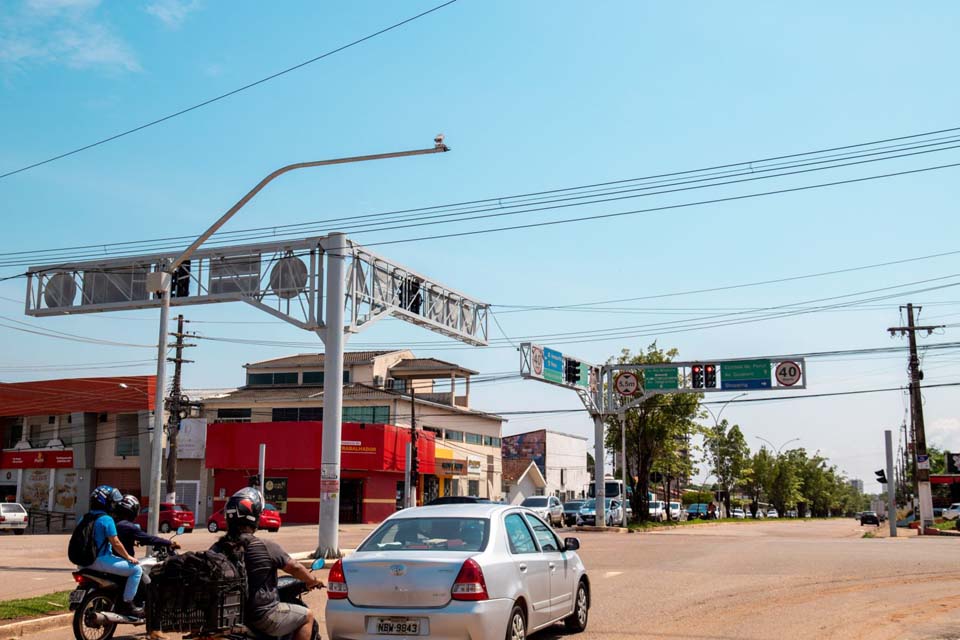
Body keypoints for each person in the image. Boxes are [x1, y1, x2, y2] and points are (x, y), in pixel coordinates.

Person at [211, 488, 322, 640]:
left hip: (226, 616)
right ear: (254, 517)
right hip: (262, 616)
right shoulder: (264, 546)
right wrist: (312, 581)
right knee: (307, 617)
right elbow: (294, 567)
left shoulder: (216, 548)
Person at [81, 485, 144, 618]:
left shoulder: (85, 517)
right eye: (113, 502)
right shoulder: (106, 519)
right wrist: (128, 557)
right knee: (136, 570)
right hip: (100, 560)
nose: (115, 504)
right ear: (107, 502)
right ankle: (127, 604)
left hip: (83, 562)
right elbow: (115, 543)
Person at [113, 494, 180, 559]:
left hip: (112, 558)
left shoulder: (113, 521)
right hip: (122, 560)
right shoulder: (127, 526)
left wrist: (133, 541)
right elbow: (148, 539)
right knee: (138, 569)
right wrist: (168, 543)